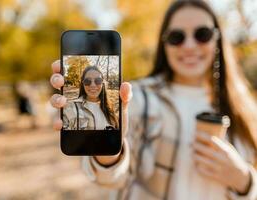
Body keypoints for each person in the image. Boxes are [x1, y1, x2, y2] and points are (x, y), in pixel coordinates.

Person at [50, 1, 257, 199]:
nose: (189, 45)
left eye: (202, 34)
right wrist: (108, 150)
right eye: (177, 37)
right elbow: (113, 178)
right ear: (164, 43)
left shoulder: (244, 106)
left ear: (218, 39)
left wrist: (244, 179)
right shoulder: (138, 97)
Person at [62, 66, 119, 130]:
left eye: (98, 80)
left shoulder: (110, 108)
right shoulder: (69, 107)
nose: (93, 85)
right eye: (87, 81)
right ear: (83, 84)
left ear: (103, 84)